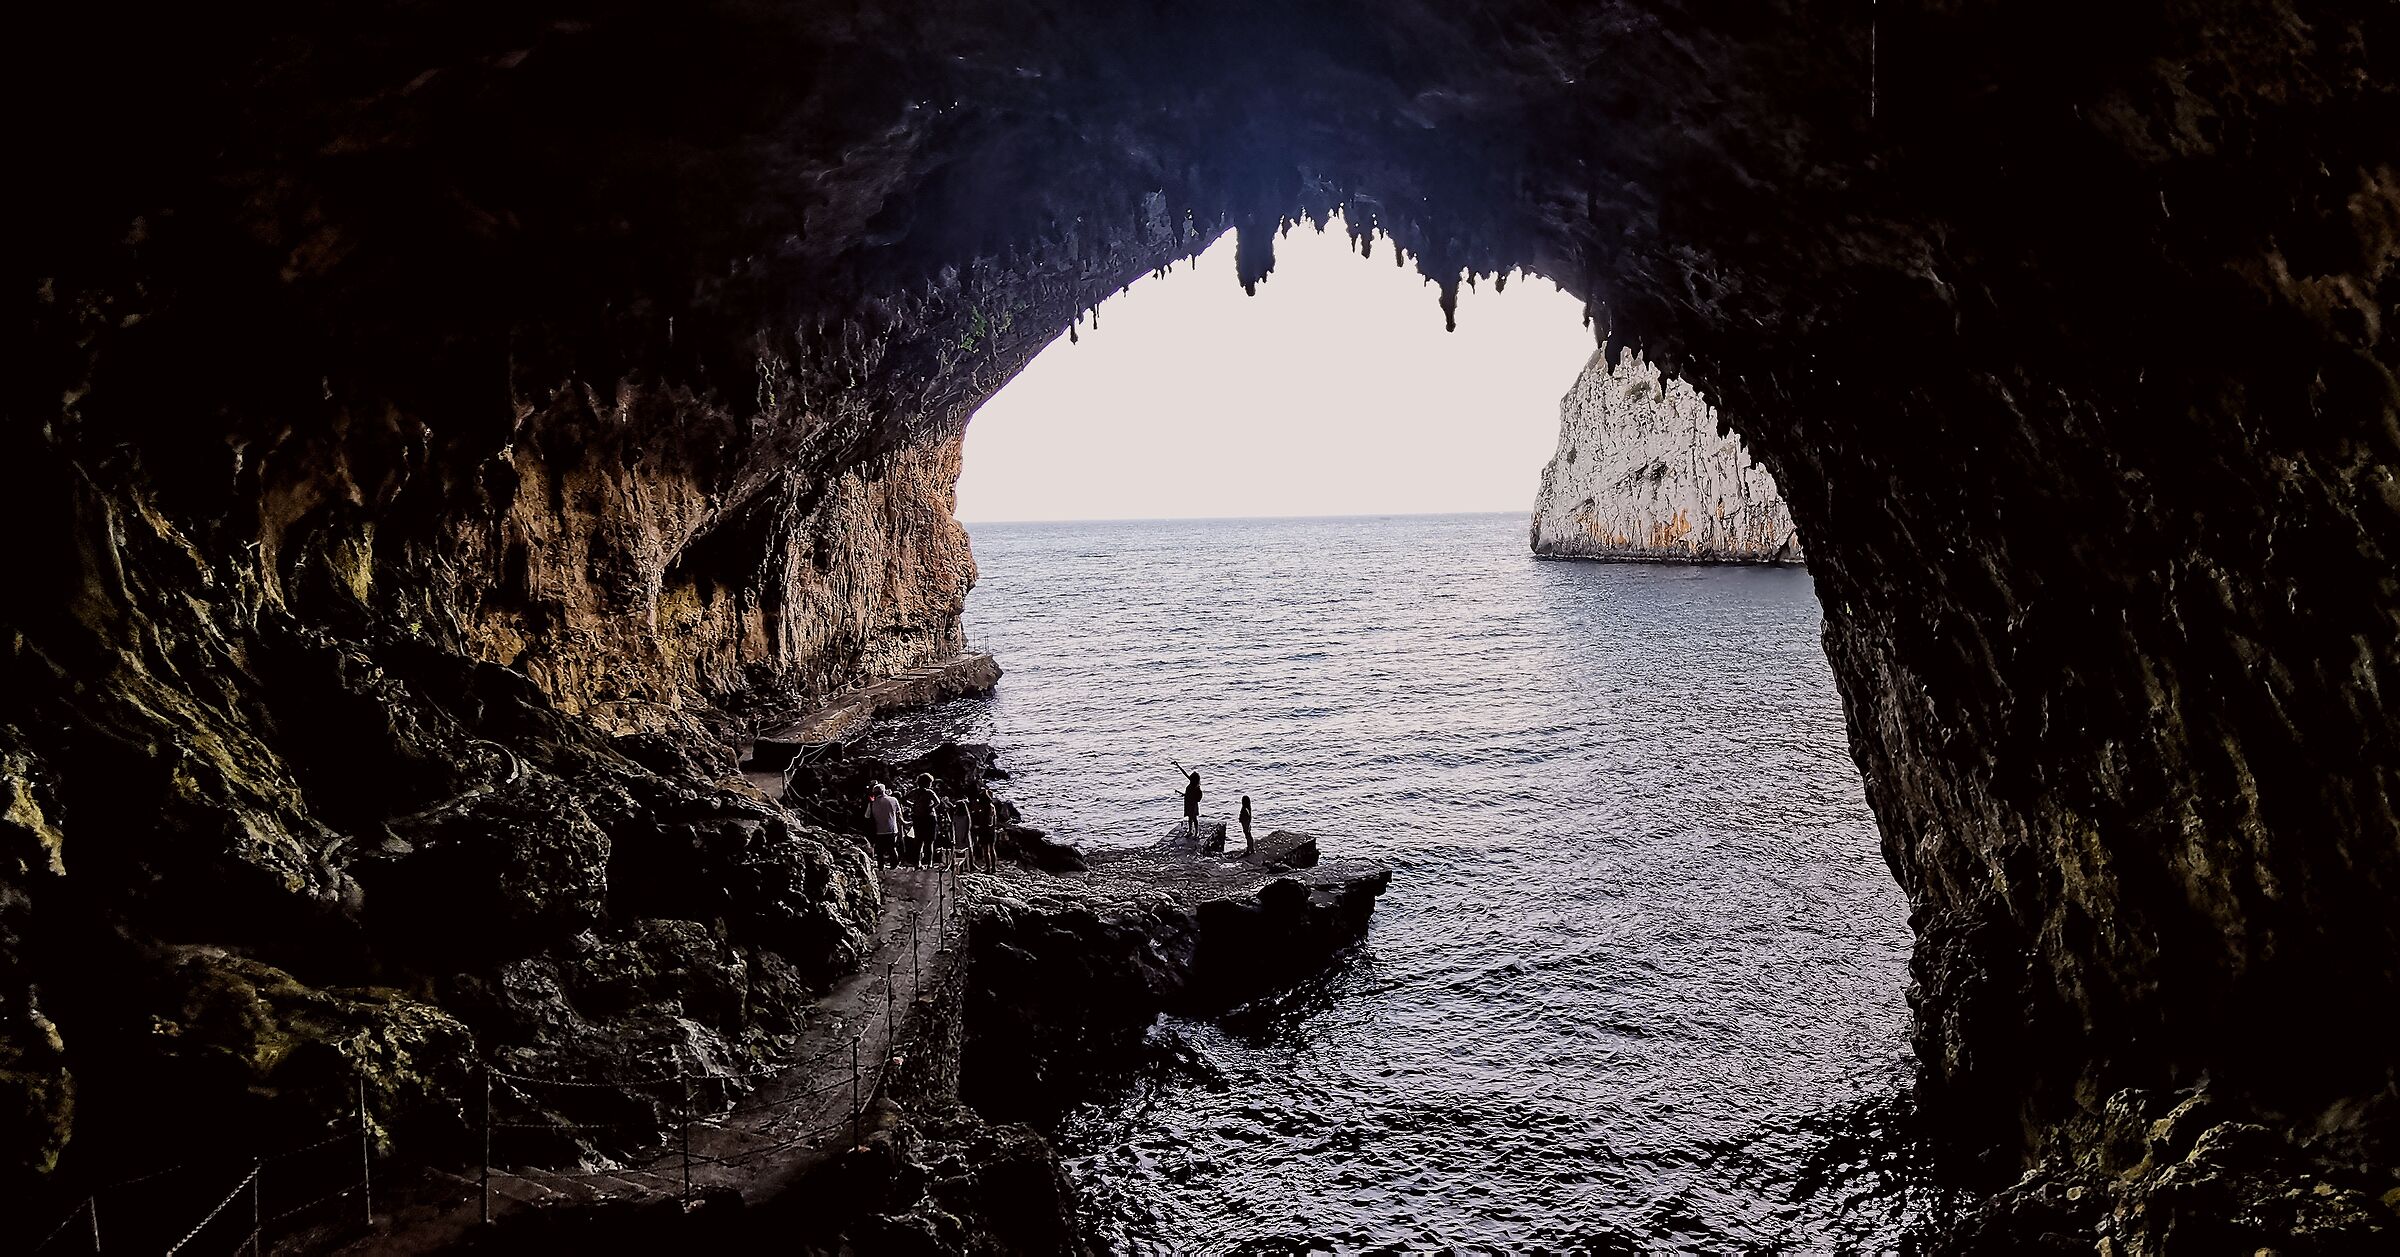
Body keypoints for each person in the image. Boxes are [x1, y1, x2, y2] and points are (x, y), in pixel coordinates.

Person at [905, 773, 943, 868]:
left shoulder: (914, 792)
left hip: (917, 817)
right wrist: (930, 807)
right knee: (929, 841)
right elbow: (938, 802)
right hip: (929, 817)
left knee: (918, 841)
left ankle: (917, 863)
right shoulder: (929, 792)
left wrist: (912, 805)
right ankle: (929, 863)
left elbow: (903, 799)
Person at [866, 782, 901, 870]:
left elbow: (867, 816)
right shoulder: (893, 800)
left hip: (879, 830)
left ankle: (881, 866)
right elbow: (899, 813)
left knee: (879, 850)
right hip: (892, 828)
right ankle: (894, 865)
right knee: (892, 848)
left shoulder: (872, 803)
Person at [1174, 761, 1202, 844]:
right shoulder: (1192, 783)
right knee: (1190, 817)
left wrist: (1187, 796)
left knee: (1194, 818)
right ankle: (1190, 831)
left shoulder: (1197, 788)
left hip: (1192, 804)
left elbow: (1197, 798)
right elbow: (1184, 773)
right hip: (1188, 803)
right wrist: (1178, 765)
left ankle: (1196, 832)